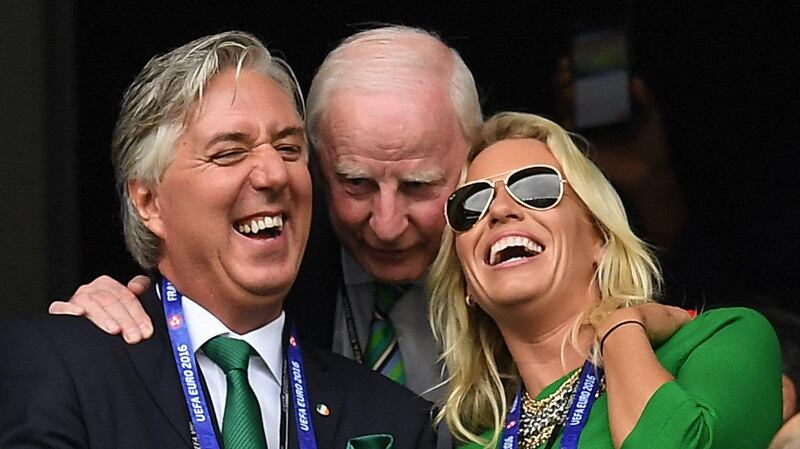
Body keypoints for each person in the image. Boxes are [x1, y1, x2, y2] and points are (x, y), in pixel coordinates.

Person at [0, 31, 434, 449]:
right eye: (229, 153)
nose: (274, 174)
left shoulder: (391, 418)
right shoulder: (61, 368)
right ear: (149, 202)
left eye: (288, 149)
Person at [428, 111, 782, 448]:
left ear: (600, 237)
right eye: (471, 205)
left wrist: (621, 328)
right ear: (467, 283)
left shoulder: (718, 341)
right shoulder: (477, 444)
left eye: (536, 189)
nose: (499, 211)